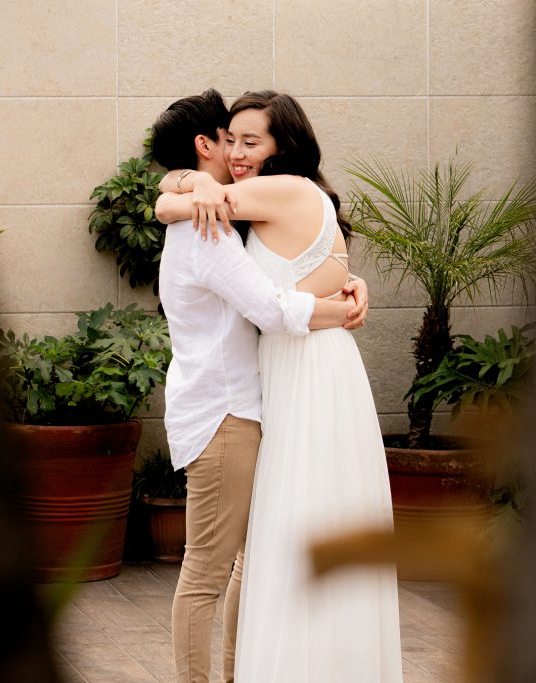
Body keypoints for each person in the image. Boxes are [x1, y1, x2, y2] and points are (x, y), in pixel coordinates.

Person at [156, 90, 403, 683]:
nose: (239, 153)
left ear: (281, 146)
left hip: (278, 388)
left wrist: (192, 185)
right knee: (222, 568)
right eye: (231, 140)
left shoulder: (251, 202)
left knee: (262, 553)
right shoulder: (212, 225)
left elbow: (169, 204)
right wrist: (340, 300)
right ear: (204, 143)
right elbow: (269, 302)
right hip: (233, 407)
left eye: (252, 141)